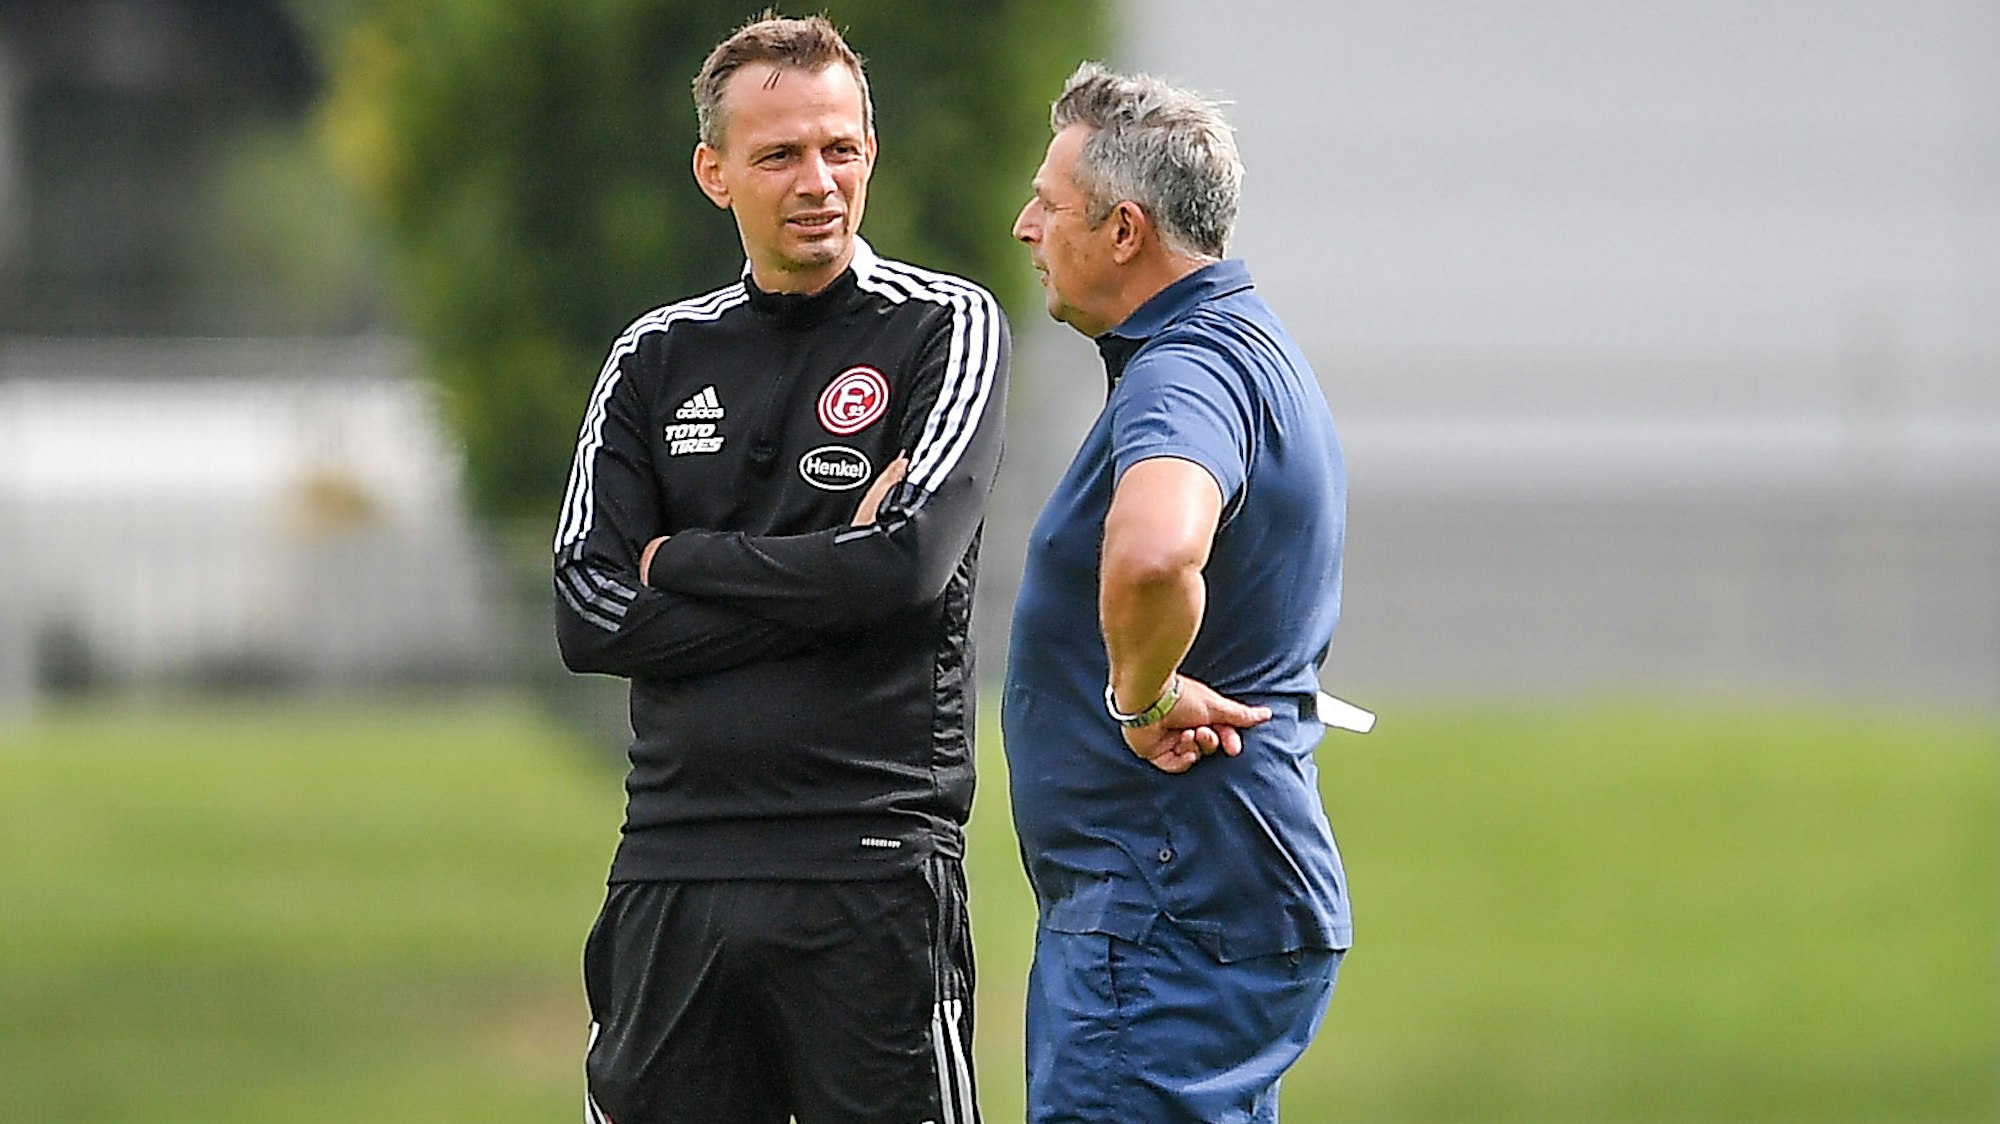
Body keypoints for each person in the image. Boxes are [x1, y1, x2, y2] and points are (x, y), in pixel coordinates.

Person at [551, 15, 1007, 1124]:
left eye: (839, 148)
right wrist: (827, 574)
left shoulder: (943, 328)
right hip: (673, 861)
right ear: (715, 173)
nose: (818, 180)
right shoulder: (654, 356)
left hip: (866, 857)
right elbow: (586, 613)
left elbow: (902, 569)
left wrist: (684, 559)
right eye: (779, 154)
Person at [1002, 62, 1353, 1122]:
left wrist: (1139, 695)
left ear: (1122, 230)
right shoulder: (1245, 346)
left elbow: (1155, 551)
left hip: (1160, 907)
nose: (1025, 226)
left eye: (1048, 204)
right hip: (1203, 895)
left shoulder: (1185, 370)